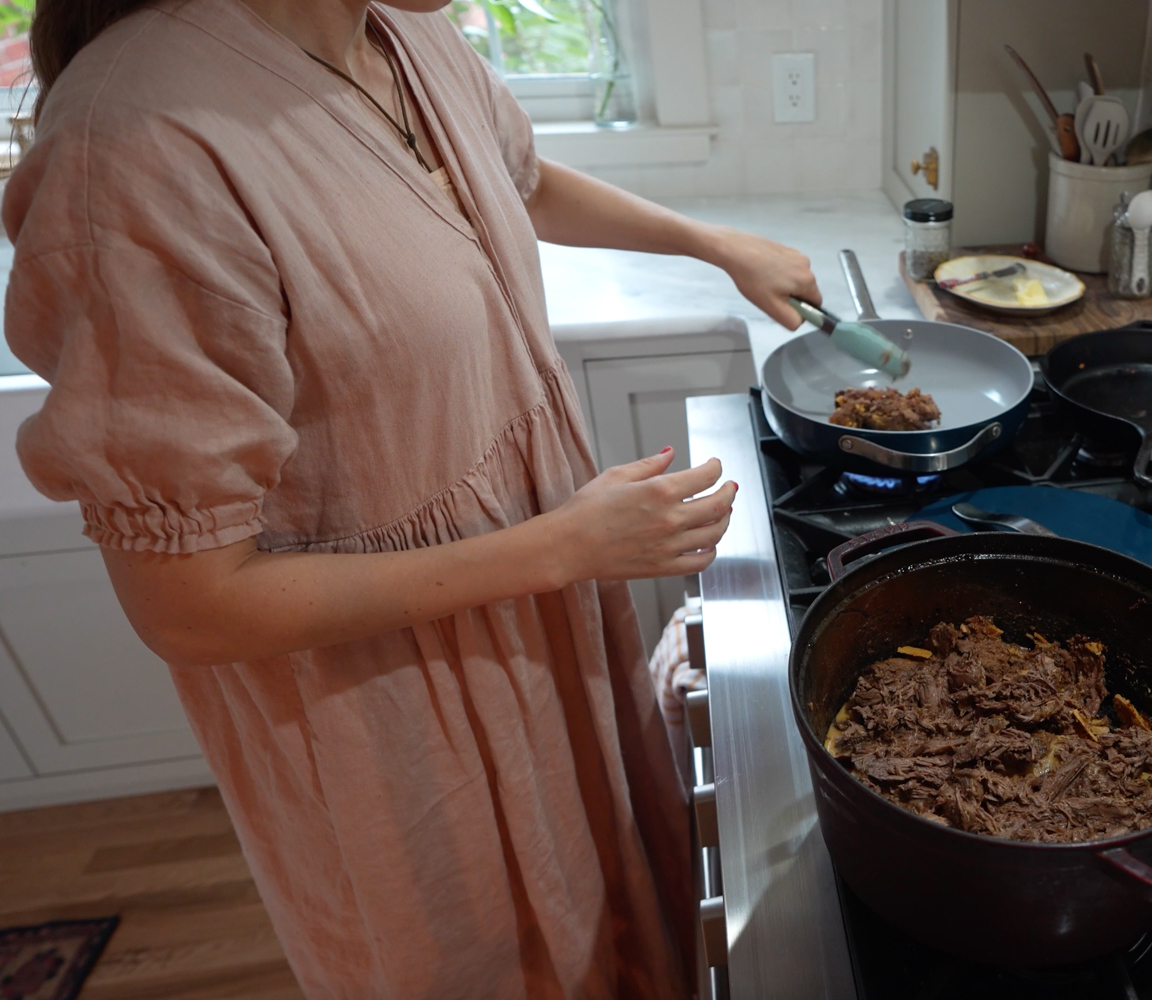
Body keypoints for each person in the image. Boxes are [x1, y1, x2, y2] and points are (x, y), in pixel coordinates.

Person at [4, 0, 821, 996]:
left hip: (534, 610)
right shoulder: (132, 150)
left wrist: (709, 241)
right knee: (488, 956)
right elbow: (190, 602)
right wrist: (558, 549)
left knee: (604, 907)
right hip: (385, 705)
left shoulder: (401, 30)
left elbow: (511, 182)